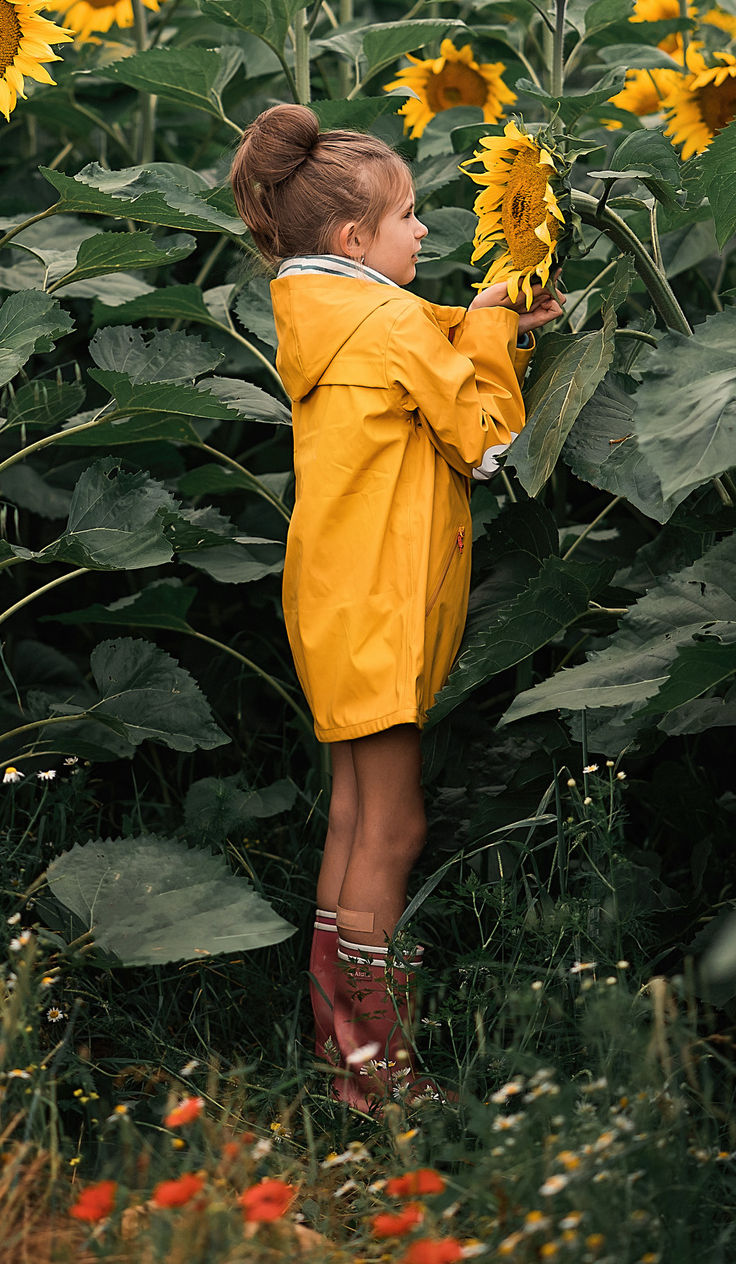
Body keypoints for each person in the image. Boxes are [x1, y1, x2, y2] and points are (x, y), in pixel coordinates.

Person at [229, 102, 562, 1111]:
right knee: (393, 829)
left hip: (335, 603)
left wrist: (479, 321)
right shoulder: (384, 322)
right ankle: (379, 1077)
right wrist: (496, 326)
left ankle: (339, 1055)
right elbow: (485, 436)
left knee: (352, 821)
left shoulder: (327, 319)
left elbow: (414, 358)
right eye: (410, 217)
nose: (426, 232)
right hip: (381, 609)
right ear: (352, 241)